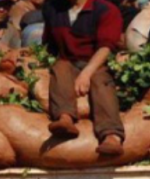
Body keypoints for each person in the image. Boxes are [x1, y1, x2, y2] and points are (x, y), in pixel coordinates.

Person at [43, 0, 126, 156]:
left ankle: (111, 135)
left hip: (97, 62)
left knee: (101, 82)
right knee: (60, 68)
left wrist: (86, 73)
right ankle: (65, 118)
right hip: (68, 60)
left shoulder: (105, 9)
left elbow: (106, 47)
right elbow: (49, 44)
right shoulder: (53, 8)